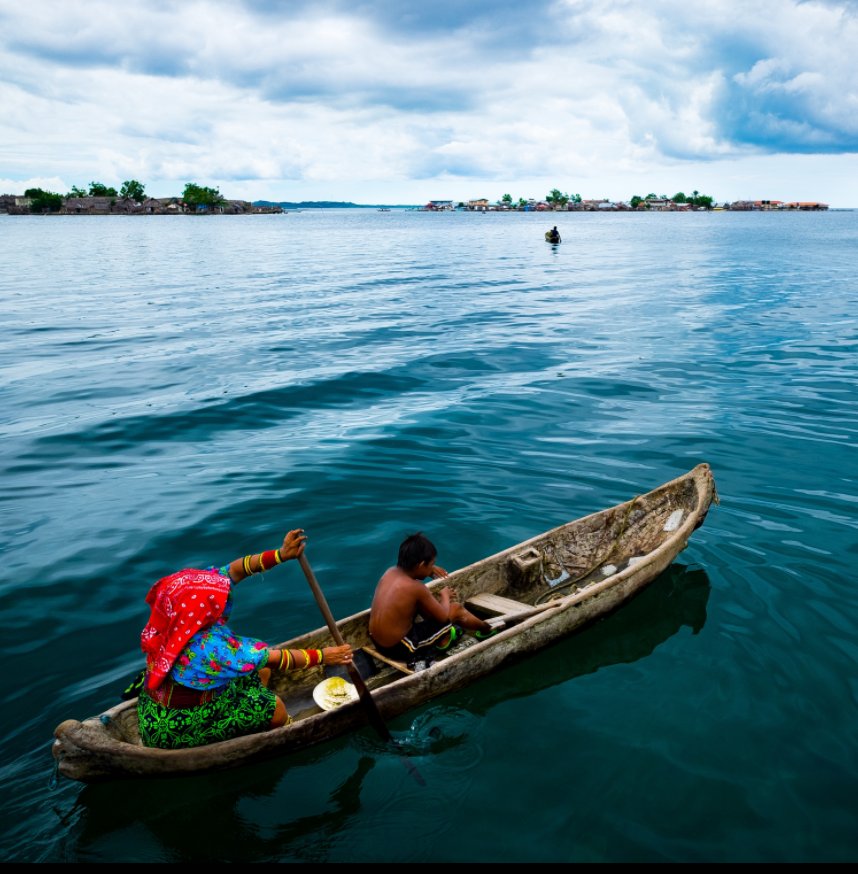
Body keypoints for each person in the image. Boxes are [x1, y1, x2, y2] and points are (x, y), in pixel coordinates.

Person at [136, 528, 353, 750]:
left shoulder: (173, 620)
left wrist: (281, 554)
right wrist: (324, 656)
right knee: (275, 707)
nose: (220, 602)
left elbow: (234, 571)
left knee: (261, 672)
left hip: (171, 702)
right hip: (177, 725)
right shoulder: (206, 648)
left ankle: (249, 714)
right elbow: (273, 658)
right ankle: (285, 732)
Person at [368, 532, 498, 666]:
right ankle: (486, 629)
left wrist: (428, 569)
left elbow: (415, 573)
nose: (433, 568)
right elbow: (443, 618)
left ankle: (444, 638)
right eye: (431, 564)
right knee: (456, 609)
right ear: (421, 565)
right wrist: (445, 596)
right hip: (400, 648)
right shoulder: (416, 588)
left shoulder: (389, 572)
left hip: (377, 641)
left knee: (422, 604)